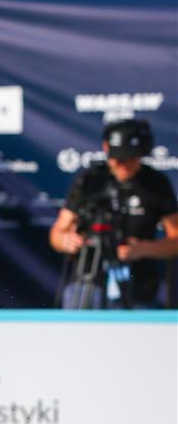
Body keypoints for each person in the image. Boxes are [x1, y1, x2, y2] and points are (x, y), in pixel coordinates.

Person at [50, 118, 178, 308]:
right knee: (79, 322)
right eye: (119, 159)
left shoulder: (155, 183)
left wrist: (143, 249)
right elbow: (57, 232)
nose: (124, 165)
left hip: (138, 286)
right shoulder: (90, 180)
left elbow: (175, 240)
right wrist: (66, 240)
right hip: (87, 281)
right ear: (106, 149)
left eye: (132, 158)